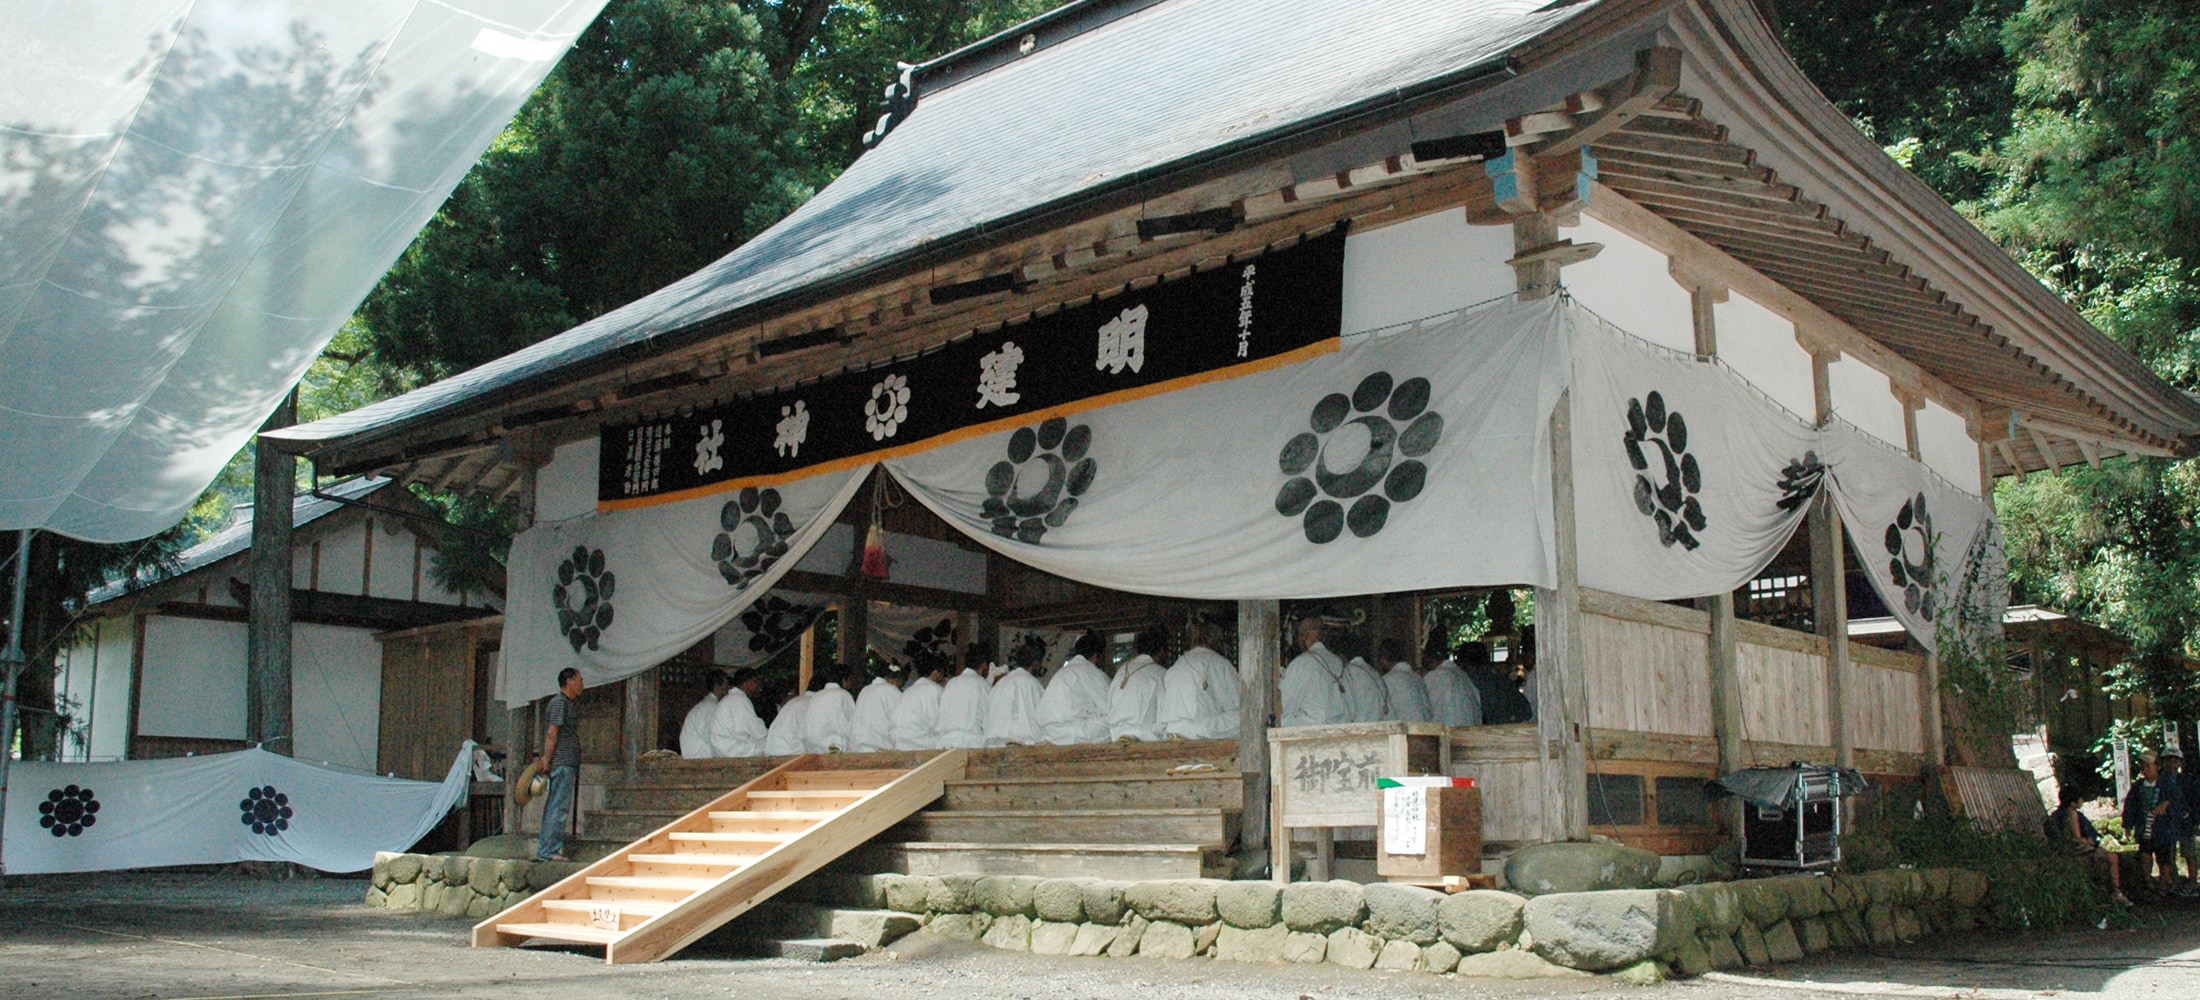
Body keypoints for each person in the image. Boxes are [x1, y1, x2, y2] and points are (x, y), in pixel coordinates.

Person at [533, 667, 584, 862]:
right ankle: (548, 850)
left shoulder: (569, 704)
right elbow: (552, 733)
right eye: (579, 679)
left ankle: (551, 848)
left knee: (560, 804)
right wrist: (547, 758)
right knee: (557, 805)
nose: (582, 684)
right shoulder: (559, 703)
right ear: (569, 681)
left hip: (568, 760)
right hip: (561, 761)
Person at [2046, 785, 2126, 904]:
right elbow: (2076, 838)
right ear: (2073, 802)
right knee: (2112, 857)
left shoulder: (2055, 814)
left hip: (2061, 849)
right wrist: (2088, 841)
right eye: (2080, 799)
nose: (2082, 801)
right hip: (2075, 851)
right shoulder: (2071, 814)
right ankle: (2116, 892)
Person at [1159, 622, 1240, 740]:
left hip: (1172, 732)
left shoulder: (1177, 665)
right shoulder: (1219, 664)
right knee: (1244, 717)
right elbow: (1236, 704)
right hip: (1199, 733)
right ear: (1218, 642)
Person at [2122, 750, 2187, 895]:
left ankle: (2163, 886)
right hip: (2145, 825)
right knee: (2145, 854)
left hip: (2164, 828)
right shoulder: (2138, 786)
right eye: (2143, 767)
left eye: (2148, 766)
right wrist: (2127, 824)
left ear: (2157, 767)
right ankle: (2148, 882)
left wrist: (2167, 805)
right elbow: (2130, 805)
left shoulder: (2167, 784)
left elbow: (2180, 803)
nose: (2145, 770)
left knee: (2165, 858)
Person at [1038, 631, 1112, 744]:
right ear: (1096, 656)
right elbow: (1111, 707)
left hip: (1052, 733)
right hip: (1073, 732)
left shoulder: (1063, 672)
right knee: (1112, 725)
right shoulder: (1090, 671)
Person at [1279, 617, 1349, 727]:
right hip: (1337, 729)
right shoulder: (1339, 662)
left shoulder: (1301, 663)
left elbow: (1285, 704)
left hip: (1308, 731)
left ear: (1304, 636)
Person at [1107, 628, 1169, 741]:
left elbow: (1109, 706)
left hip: (1117, 738)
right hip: (1145, 740)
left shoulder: (1121, 671)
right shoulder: (1160, 673)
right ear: (1161, 650)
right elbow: (1165, 716)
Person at [986, 638, 1046, 746]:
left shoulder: (1000, 683)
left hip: (995, 746)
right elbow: (1041, 719)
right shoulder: (1032, 684)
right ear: (1036, 662)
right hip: (1022, 746)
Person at [936, 649, 993, 749]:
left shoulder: (952, 683)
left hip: (945, 742)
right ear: (984, 665)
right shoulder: (983, 685)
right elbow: (989, 720)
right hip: (971, 743)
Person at [891, 658, 949, 750]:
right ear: (936, 673)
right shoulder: (935, 690)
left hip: (899, 743)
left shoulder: (908, 691)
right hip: (919, 743)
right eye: (943, 673)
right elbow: (943, 723)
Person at [707, 668, 767, 758]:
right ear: (749, 683)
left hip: (725, 749)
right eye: (756, 682)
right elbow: (758, 731)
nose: (758, 687)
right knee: (769, 744)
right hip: (731, 750)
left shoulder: (732, 698)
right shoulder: (739, 700)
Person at [848, 663, 906, 753]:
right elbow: (901, 721)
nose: (900, 687)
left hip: (856, 748)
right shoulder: (891, 691)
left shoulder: (865, 690)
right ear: (895, 680)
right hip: (878, 748)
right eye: (900, 684)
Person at [1423, 641, 1481, 728]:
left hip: (1448, 734)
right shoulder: (1463, 675)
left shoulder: (1434, 677)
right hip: (1470, 734)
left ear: (1429, 658)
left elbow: (1424, 709)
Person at [803, 666, 858, 753]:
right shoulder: (843, 694)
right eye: (850, 679)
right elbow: (853, 724)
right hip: (834, 745)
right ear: (844, 680)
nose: (852, 683)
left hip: (812, 748)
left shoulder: (816, 695)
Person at [1338, 635, 1392, 723]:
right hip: (1380, 723)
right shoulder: (1372, 670)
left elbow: (1349, 709)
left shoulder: (1350, 672)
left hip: (1364, 725)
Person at [679, 669, 731, 758]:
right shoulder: (709, 708)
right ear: (719, 688)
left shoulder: (709, 706)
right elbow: (712, 738)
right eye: (726, 687)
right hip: (699, 759)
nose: (728, 691)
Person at [1380, 638, 1433, 724]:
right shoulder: (1417, 678)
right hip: (1425, 731)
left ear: (1384, 658)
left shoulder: (1387, 681)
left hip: (1405, 732)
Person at [763, 684, 811, 756]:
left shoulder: (795, 703)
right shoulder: (807, 703)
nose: (791, 695)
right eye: (790, 693)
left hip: (775, 753)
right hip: (788, 756)